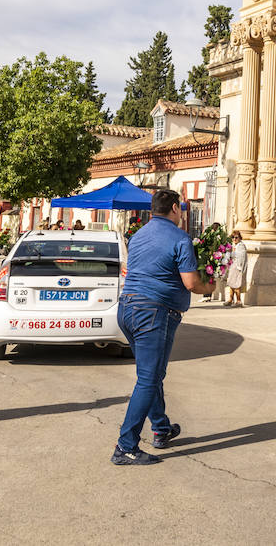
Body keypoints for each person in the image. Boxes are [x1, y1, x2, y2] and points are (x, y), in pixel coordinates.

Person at [113, 189, 214, 466]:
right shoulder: (180, 238)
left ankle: (160, 428)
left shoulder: (137, 237)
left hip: (127, 309)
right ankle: (126, 446)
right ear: (173, 208)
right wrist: (210, 286)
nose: (182, 213)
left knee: (151, 374)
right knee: (148, 379)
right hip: (154, 313)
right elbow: (191, 283)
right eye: (181, 208)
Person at [225, 233, 247, 307]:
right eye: (232, 237)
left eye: (236, 237)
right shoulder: (233, 245)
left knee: (237, 284)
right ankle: (230, 299)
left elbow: (241, 257)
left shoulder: (241, 246)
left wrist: (231, 252)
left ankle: (238, 301)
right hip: (232, 266)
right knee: (231, 283)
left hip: (238, 267)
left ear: (240, 238)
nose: (234, 239)